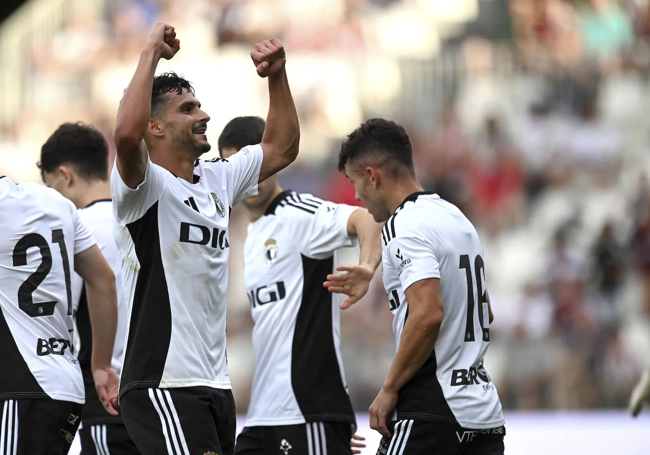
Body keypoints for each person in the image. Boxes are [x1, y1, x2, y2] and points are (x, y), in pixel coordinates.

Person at [111, 22, 299, 455]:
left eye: (200, 106)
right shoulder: (143, 188)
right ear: (154, 128)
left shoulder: (218, 177)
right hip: (164, 382)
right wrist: (150, 53)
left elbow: (283, 148)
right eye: (188, 109)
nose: (205, 116)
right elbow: (125, 134)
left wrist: (277, 76)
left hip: (214, 383)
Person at [333, 119, 506, 455]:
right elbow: (484, 310)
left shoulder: (404, 224)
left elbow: (427, 315)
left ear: (372, 175)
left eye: (355, 182)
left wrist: (389, 388)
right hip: (482, 413)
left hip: (430, 411)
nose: (356, 195)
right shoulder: (456, 217)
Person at [217, 117, 379, 455]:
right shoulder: (248, 234)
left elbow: (364, 220)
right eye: (239, 169)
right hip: (265, 413)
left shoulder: (296, 214)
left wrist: (366, 267)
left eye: (256, 166)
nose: (249, 179)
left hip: (307, 409)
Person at [39, 122, 139, 454]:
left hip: (106, 396)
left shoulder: (72, 231)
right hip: (162, 392)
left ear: (65, 176)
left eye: (50, 186)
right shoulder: (140, 219)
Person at [0, 175, 119, 455]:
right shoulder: (56, 202)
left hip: (22, 387)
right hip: (66, 384)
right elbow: (103, 281)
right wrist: (101, 365)